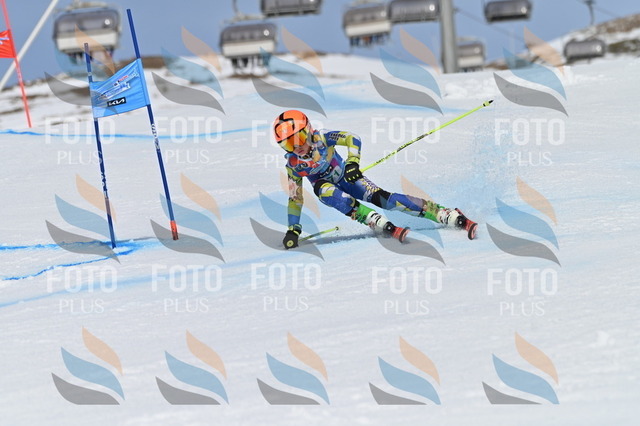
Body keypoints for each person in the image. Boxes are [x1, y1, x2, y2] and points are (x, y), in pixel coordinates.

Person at [273, 110, 477, 249]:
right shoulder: (294, 165)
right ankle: (373, 220)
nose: (296, 147)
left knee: (384, 199)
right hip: (327, 189)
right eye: (287, 144)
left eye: (298, 139)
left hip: (348, 176)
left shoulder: (323, 138)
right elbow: (295, 198)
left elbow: (352, 138)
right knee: (327, 192)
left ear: (308, 131)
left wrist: (352, 163)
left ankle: (442, 213)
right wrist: (293, 229)